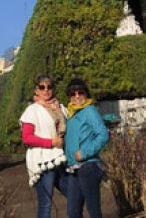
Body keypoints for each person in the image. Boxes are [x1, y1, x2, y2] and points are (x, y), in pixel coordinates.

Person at [20, 74, 68, 218]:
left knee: (74, 194)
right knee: (45, 203)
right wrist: (51, 142)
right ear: (36, 90)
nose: (46, 90)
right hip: (43, 160)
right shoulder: (32, 110)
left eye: (49, 87)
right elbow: (27, 138)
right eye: (42, 87)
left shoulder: (60, 108)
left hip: (61, 157)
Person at [62, 78, 109, 218]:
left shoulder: (89, 110)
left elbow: (103, 135)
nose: (76, 96)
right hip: (73, 168)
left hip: (88, 166)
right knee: (73, 212)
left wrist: (84, 152)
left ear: (86, 94)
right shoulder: (71, 114)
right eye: (73, 93)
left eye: (80, 92)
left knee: (93, 210)